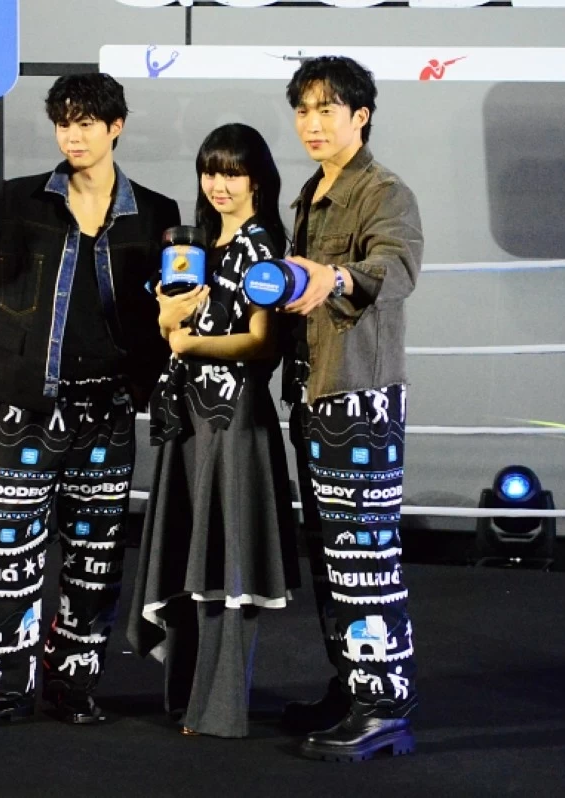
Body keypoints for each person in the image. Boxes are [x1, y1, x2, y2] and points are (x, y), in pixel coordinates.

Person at [0, 73, 180, 730]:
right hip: (24, 406)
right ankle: (2, 689)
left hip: (108, 409)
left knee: (94, 561)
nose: (75, 133)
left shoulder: (156, 212)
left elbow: (169, 313)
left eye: (88, 121)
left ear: (115, 126)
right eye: (65, 121)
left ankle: (74, 687)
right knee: (9, 553)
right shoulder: (17, 200)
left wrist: (140, 386)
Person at [126, 123, 300, 738]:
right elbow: (168, 321)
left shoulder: (262, 246)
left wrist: (186, 338)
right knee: (186, 556)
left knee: (226, 565)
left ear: (256, 178)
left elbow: (262, 343)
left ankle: (219, 709)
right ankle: (186, 699)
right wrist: (165, 317)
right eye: (210, 171)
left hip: (234, 421)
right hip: (188, 419)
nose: (218, 184)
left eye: (231, 172)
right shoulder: (195, 244)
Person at [276, 56, 425, 762]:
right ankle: (351, 683)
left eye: (327, 109)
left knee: (366, 556)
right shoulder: (310, 194)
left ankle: (384, 704)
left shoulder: (382, 189)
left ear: (360, 115)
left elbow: (397, 270)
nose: (313, 123)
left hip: (359, 395)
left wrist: (335, 274)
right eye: (303, 110)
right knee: (332, 556)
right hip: (314, 394)